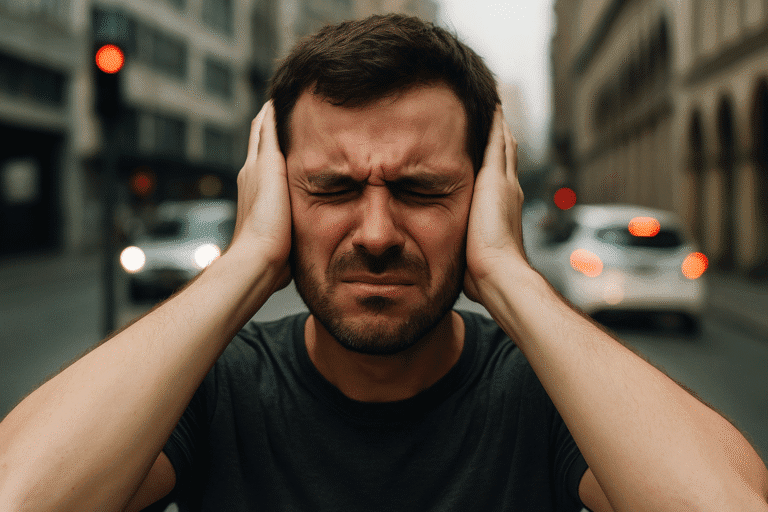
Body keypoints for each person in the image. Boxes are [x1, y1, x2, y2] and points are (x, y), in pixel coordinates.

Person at [1, 13, 767, 512]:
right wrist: (245, 263)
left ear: (486, 195)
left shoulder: (546, 391)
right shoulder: (213, 383)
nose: (375, 233)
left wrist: (509, 275)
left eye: (422, 189)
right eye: (331, 188)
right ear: (272, 192)